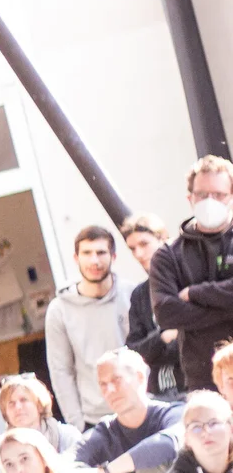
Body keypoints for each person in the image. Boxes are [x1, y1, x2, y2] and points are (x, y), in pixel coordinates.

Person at [151, 155, 233, 391]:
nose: (210, 201)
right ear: (190, 198)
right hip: (203, 378)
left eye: (218, 195)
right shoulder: (168, 255)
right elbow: (166, 313)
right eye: (202, 194)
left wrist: (197, 293)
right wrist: (225, 309)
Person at [45, 224, 134, 430]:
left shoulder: (133, 295)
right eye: (87, 253)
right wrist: (78, 425)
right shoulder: (59, 310)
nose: (94, 260)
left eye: (101, 252)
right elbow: (61, 371)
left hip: (139, 406)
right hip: (95, 420)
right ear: (76, 258)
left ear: (113, 256)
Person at [75, 348, 182, 473]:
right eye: (103, 384)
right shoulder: (105, 431)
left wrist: (106, 471)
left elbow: (166, 444)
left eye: (116, 380)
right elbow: (69, 461)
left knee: (151, 465)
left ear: (140, 377)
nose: (109, 390)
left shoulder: (173, 413)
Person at [122, 213, 183, 400]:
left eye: (144, 244)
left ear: (163, 239)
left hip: (197, 382)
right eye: (132, 248)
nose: (138, 254)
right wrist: (163, 337)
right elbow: (133, 352)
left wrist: (157, 349)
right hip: (161, 391)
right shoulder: (140, 294)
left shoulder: (188, 277)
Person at [0, 374, 82, 454]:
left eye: (23, 400)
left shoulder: (68, 436)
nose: (18, 407)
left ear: (40, 405)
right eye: (11, 403)